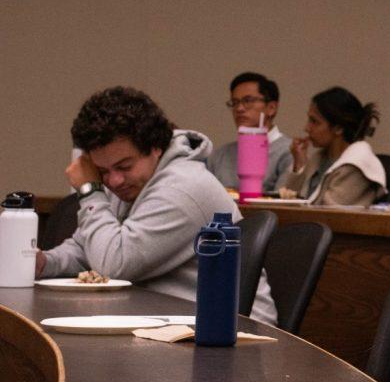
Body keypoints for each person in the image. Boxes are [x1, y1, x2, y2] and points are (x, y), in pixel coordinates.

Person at [37, 86, 277, 324]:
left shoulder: (183, 187)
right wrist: (43, 263)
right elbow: (87, 249)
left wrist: (90, 190)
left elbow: (114, 264)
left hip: (235, 334)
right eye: (102, 171)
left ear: (155, 147)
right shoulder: (130, 184)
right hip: (173, 324)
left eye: (124, 166)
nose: (113, 181)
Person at [284, 86, 386, 205]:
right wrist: (300, 163)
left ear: (338, 128)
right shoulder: (319, 158)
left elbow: (328, 214)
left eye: (314, 121)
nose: (306, 128)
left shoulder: (355, 166)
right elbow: (289, 201)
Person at [207, 72, 293, 193]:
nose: (239, 108)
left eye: (248, 101)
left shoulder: (289, 151)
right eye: (235, 102)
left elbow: (283, 206)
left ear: (271, 108)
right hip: (223, 213)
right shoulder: (220, 155)